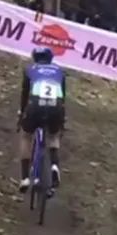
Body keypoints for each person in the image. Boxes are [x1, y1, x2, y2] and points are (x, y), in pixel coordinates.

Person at [17, 46, 67, 192]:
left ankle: (25, 178)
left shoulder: (30, 70)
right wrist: (62, 121)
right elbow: (63, 97)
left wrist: (21, 114)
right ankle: (54, 165)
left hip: (35, 105)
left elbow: (25, 95)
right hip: (56, 106)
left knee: (26, 136)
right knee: (54, 135)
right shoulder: (59, 71)